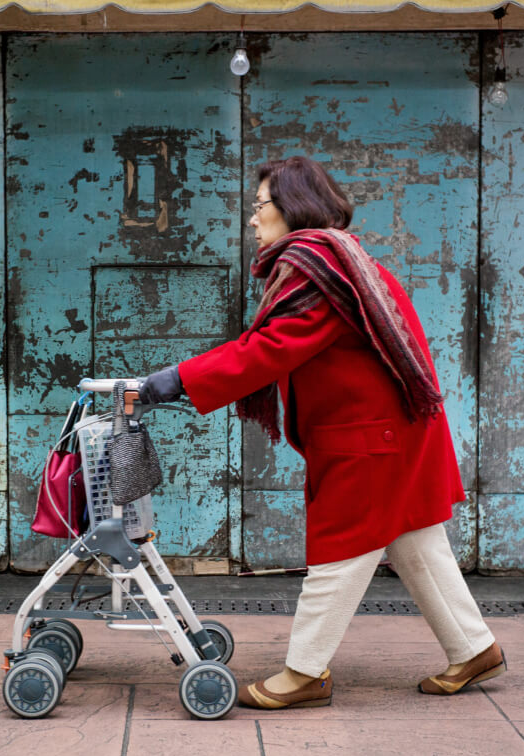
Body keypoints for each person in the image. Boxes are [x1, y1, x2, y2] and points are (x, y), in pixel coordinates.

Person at [139, 156, 504, 710]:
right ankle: (473, 647)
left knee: (341, 552)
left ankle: (306, 672)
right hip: (386, 432)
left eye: (260, 207)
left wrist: (177, 380)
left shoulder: (319, 269)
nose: (253, 220)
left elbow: (269, 349)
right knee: (415, 544)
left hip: (372, 440)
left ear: (293, 208)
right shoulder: (337, 263)